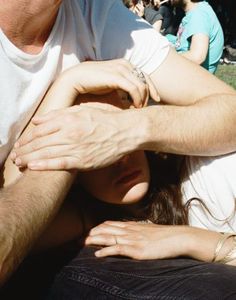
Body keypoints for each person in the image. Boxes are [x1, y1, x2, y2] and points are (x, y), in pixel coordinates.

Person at [1, 0, 236, 289]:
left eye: (114, 129)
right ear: (73, 179)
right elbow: (14, 209)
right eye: (92, 143)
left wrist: (200, 242)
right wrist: (67, 85)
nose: (119, 155)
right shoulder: (96, 215)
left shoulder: (209, 176)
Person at [166, 0, 224, 73]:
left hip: (193, 81)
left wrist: (163, 58)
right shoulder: (196, 12)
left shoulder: (199, 14)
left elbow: (197, 56)